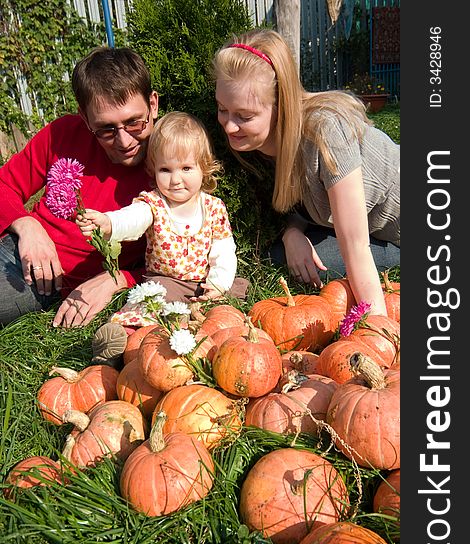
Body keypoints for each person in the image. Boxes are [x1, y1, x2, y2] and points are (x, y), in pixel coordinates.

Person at [212, 28, 400, 316]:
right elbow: (300, 200)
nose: (228, 126)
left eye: (244, 116)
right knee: (284, 257)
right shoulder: (257, 144)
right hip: (361, 226)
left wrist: (377, 330)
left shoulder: (326, 131)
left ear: (280, 105)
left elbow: (356, 245)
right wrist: (292, 232)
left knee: (321, 263)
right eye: (222, 109)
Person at [0, 46, 159, 328]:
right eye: (106, 129)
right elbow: (4, 184)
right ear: (85, 119)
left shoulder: (173, 160)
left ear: (153, 104)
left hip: (45, 283)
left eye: (134, 122)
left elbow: (185, 253)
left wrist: (118, 279)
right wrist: (26, 225)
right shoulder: (63, 134)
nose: (124, 142)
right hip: (20, 251)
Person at [76, 111, 248, 327]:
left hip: (203, 285)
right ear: (153, 170)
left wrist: (218, 284)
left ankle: (205, 323)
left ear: (203, 168)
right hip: (166, 282)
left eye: (186, 168)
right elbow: (133, 219)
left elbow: (223, 251)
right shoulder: (154, 204)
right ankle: (124, 338)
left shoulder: (213, 208)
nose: (175, 180)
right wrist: (109, 223)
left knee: (235, 291)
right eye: (165, 170)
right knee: (151, 305)